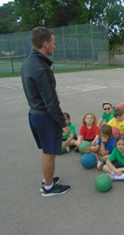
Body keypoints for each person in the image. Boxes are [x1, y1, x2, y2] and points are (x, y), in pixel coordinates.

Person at [21, 27, 70, 197]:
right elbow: (51, 104)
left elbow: (36, 90)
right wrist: (64, 124)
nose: (55, 47)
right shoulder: (42, 68)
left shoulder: (29, 62)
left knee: (48, 151)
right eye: (53, 43)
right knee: (50, 152)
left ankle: (47, 180)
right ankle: (48, 187)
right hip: (45, 117)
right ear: (45, 43)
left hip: (34, 113)